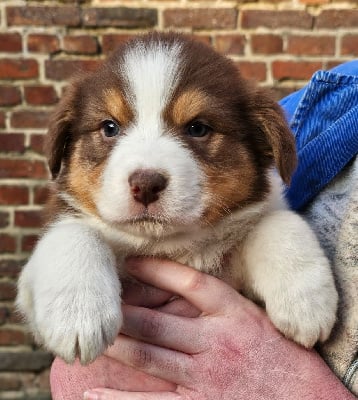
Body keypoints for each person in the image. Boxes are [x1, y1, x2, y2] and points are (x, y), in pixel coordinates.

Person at [50, 61, 358, 399]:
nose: (146, 172)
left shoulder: (254, 217)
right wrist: (76, 260)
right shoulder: (335, 99)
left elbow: (261, 218)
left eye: (196, 129)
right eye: (110, 128)